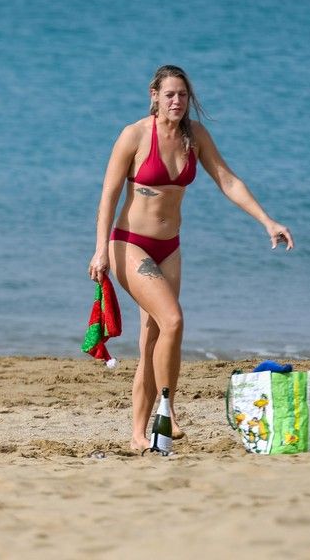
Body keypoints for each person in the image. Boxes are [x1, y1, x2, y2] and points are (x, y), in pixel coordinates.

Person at [87, 65, 294, 452]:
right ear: (154, 95)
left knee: (152, 337)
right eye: (169, 94)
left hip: (170, 247)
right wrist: (100, 249)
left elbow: (228, 180)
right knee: (174, 320)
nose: (177, 102)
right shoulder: (133, 135)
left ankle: (138, 434)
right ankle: (168, 408)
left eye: (182, 95)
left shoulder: (194, 137)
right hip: (129, 244)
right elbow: (108, 196)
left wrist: (267, 220)